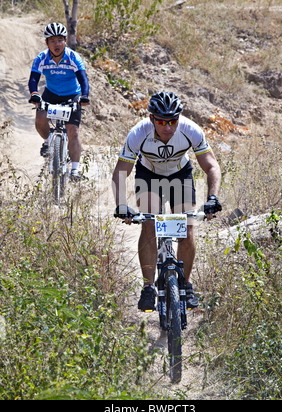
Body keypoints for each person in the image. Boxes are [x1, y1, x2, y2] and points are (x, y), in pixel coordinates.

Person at [112, 91, 222, 312]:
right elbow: (121, 171)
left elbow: (212, 166)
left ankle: (187, 285)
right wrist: (121, 204)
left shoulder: (190, 130)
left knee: (186, 228)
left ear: (178, 119)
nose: (168, 127)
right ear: (152, 119)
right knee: (149, 225)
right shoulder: (138, 133)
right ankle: (148, 287)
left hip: (180, 175)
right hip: (148, 175)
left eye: (172, 121)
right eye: (161, 121)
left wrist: (213, 198)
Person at [28, 22, 90, 181]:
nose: (57, 44)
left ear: (65, 41)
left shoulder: (73, 57)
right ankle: (48, 142)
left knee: (73, 131)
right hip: (52, 94)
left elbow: (83, 80)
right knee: (40, 117)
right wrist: (34, 94)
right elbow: (33, 79)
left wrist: (84, 96)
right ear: (46, 43)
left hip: (72, 96)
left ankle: (75, 171)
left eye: (60, 40)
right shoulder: (41, 58)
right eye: (53, 41)